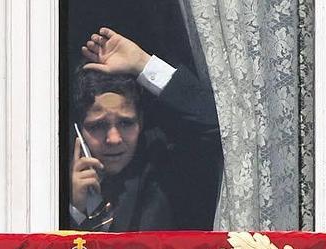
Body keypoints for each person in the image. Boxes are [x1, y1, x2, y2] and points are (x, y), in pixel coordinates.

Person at [70, 27, 222, 231]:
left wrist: (142, 63)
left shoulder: (162, 168)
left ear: (140, 121)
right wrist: (74, 210)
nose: (114, 139)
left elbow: (217, 127)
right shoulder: (48, 179)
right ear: (77, 129)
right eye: (98, 125)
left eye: (125, 123)